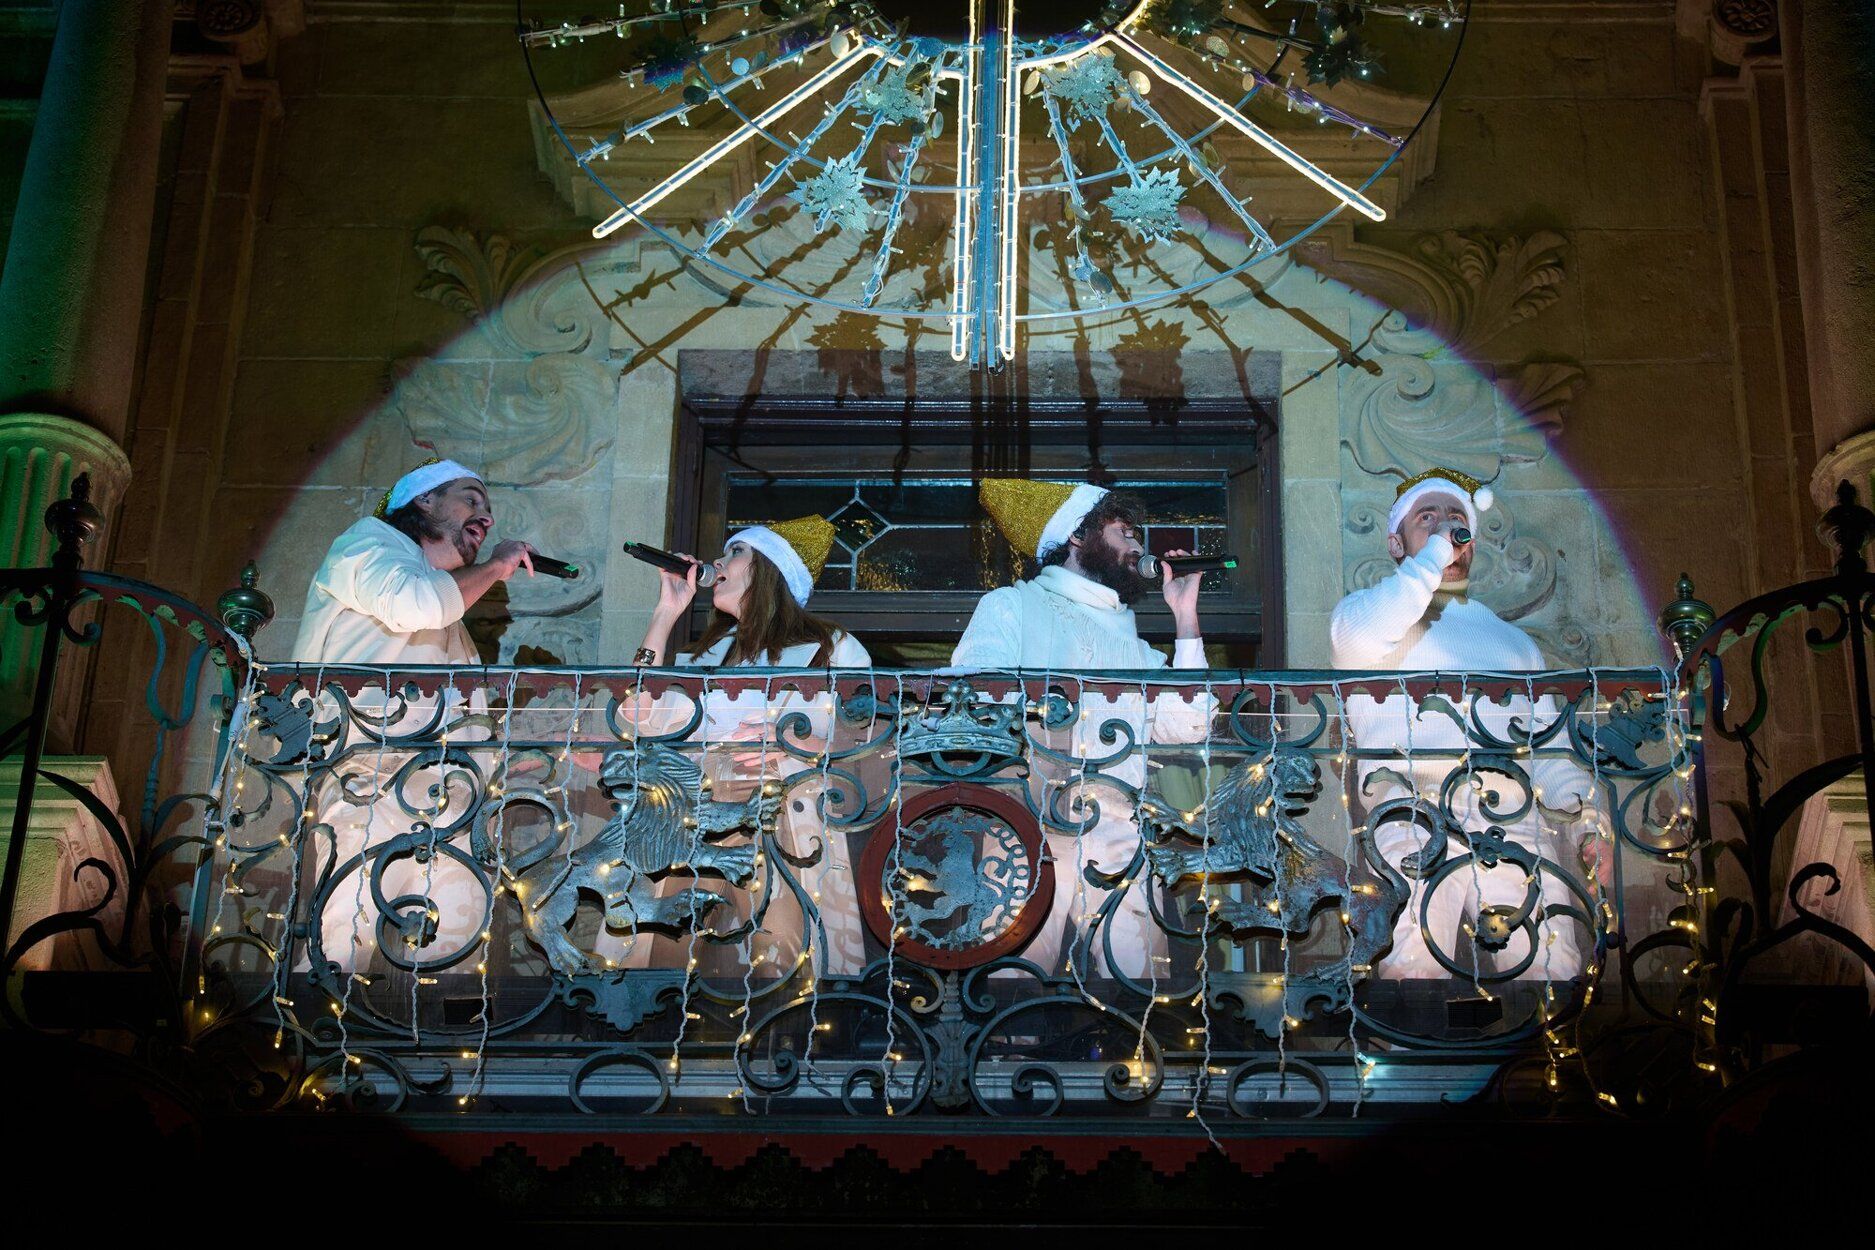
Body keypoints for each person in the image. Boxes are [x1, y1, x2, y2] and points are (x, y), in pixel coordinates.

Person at [1329, 468, 1596, 983]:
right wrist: (1433, 555)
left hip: (1510, 813)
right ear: (1395, 542)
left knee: (1550, 968)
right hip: (1410, 809)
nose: (1444, 527)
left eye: (1456, 519)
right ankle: (1412, 1060)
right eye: (1425, 518)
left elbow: (1553, 751)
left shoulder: (1515, 644)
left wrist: (1588, 823)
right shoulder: (1364, 615)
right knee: (1411, 963)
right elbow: (1370, 632)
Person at [950, 480, 1213, 980]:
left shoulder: (1134, 645)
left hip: (1119, 831)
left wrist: (1184, 616)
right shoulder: (1012, 606)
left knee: (1138, 987)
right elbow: (978, 701)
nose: (1138, 545)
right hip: (1026, 827)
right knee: (1009, 980)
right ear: (1076, 535)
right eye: (1124, 531)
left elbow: (1189, 724)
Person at [288, 459, 536, 978]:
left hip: (448, 796)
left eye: (487, 508)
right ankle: (327, 1037)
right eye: (471, 499)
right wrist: (495, 567)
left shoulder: (452, 618)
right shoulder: (368, 544)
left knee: (454, 948)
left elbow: (470, 719)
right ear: (424, 500)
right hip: (369, 779)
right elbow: (417, 605)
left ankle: (441, 1053)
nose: (485, 516)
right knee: (346, 932)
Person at [609, 516, 873, 976]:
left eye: (736, 552)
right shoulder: (705, 655)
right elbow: (637, 719)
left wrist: (793, 743)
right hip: (693, 817)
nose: (717, 561)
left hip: (783, 817)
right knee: (667, 954)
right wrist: (665, 613)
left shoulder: (832, 647)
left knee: (783, 954)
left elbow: (862, 734)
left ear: (771, 571)